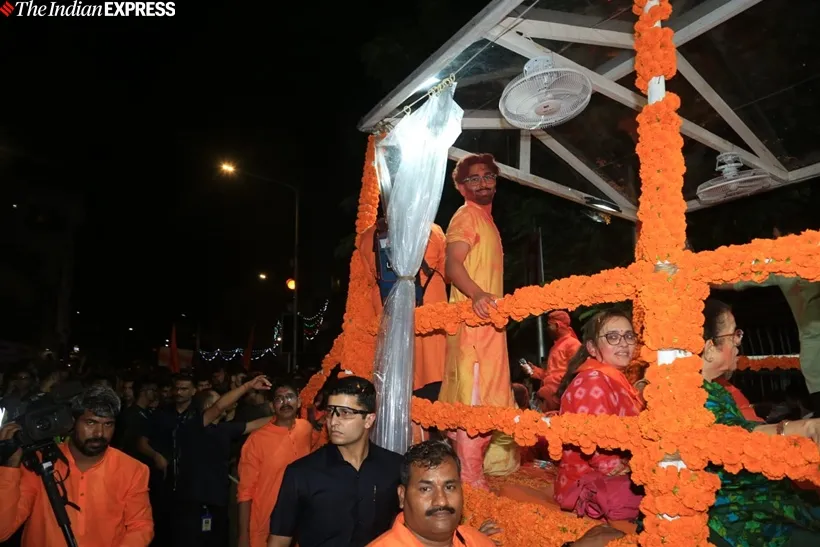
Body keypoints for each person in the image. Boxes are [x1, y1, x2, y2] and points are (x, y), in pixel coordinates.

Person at [700, 299, 820, 546]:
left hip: (750, 490)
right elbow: (739, 436)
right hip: (731, 506)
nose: (738, 342)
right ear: (710, 348)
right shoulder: (686, 393)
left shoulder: (716, 389)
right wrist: (805, 427)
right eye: (734, 334)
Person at [368, 440, 624, 547]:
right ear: (402, 497)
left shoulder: (473, 539)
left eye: (450, 486)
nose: (441, 501)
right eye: (425, 488)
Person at [438, 153, 517, 488]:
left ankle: (473, 480)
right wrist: (478, 295)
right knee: (474, 404)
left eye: (489, 177)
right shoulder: (466, 217)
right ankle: (471, 488)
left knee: (484, 403)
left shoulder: (487, 221)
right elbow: (452, 265)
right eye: (474, 179)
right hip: (474, 327)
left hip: (488, 328)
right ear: (460, 186)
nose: (483, 183)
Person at [0, 385, 153, 546]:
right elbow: (2, 531)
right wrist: (10, 467)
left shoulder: (133, 470)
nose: (99, 433)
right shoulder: (40, 462)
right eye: (91, 422)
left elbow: (140, 527)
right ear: (72, 422)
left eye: (108, 424)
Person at [267, 376, 403, 547]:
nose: (334, 421)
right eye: (331, 411)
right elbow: (279, 540)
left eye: (345, 413)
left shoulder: (393, 467)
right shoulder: (302, 473)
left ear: (369, 420)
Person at [554, 309, 644, 521]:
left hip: (611, 479)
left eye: (629, 336)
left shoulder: (613, 377)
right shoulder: (593, 380)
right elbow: (601, 456)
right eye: (612, 337)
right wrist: (643, 470)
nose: (624, 343)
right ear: (592, 348)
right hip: (588, 490)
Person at [720, 226, 820, 415]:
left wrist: (693, 270)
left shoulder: (785, 265)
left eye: (776, 237)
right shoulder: (782, 266)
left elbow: (730, 280)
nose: (774, 241)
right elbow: (734, 280)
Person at [173, 375, 273, 547]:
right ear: (206, 406)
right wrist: (248, 386)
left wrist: (285, 415)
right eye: (217, 400)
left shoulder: (223, 429)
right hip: (194, 504)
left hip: (218, 502)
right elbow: (219, 407)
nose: (224, 402)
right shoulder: (193, 427)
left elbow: (253, 425)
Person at [356, 213, 448, 396]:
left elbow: (368, 281)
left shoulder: (367, 238)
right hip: (432, 352)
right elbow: (447, 274)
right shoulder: (432, 231)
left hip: (393, 349)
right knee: (435, 410)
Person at [238, 382, 317, 547]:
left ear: (299, 402)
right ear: (272, 407)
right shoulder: (256, 440)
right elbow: (245, 493)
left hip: (301, 523)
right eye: (279, 399)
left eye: (289, 397)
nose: (285, 402)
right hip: (265, 526)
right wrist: (243, 536)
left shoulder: (306, 429)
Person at [522, 310, 582, 412]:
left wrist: (555, 390)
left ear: (557, 325)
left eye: (549, 325)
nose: (547, 329)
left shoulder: (573, 344)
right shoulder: (556, 346)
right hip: (550, 396)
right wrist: (535, 371)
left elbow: (576, 374)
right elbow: (552, 373)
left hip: (560, 396)